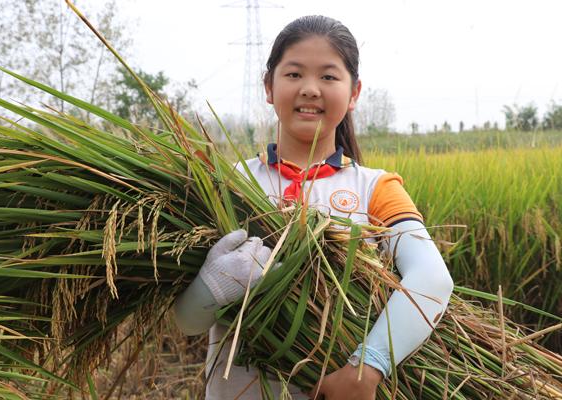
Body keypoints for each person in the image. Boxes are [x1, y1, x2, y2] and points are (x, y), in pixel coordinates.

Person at [173, 15, 454, 400]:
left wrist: (368, 366)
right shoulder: (229, 184)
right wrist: (214, 284)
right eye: (293, 75)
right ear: (269, 87)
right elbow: (188, 323)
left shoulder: (374, 188)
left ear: (354, 93)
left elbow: (432, 280)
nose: (309, 89)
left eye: (328, 77)